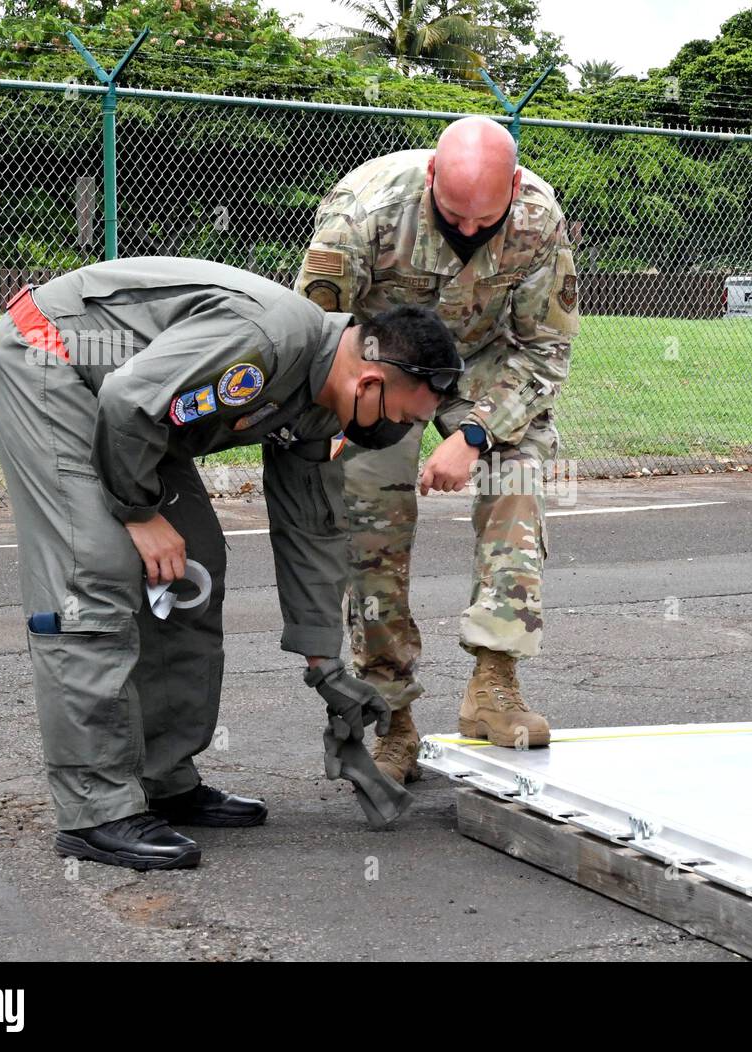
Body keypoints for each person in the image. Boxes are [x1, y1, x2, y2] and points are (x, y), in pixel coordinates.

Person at [0, 256, 461, 869]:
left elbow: (309, 526)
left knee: (193, 572)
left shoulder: (323, 398)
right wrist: (137, 513)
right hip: (55, 366)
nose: (403, 433)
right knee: (94, 574)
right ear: (369, 382)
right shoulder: (269, 341)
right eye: (406, 417)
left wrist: (323, 663)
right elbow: (129, 400)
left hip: (140, 417)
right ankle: (97, 811)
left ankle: (163, 779)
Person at [294, 116, 579, 783]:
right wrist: (338, 427)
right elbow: (316, 331)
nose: (473, 231)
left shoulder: (538, 217)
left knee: (521, 485)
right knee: (371, 520)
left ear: (513, 184)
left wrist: (475, 434)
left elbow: (546, 348)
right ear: (430, 178)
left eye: (488, 218)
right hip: (381, 368)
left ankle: (494, 684)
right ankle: (391, 714)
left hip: (485, 369)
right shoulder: (363, 210)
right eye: (456, 216)